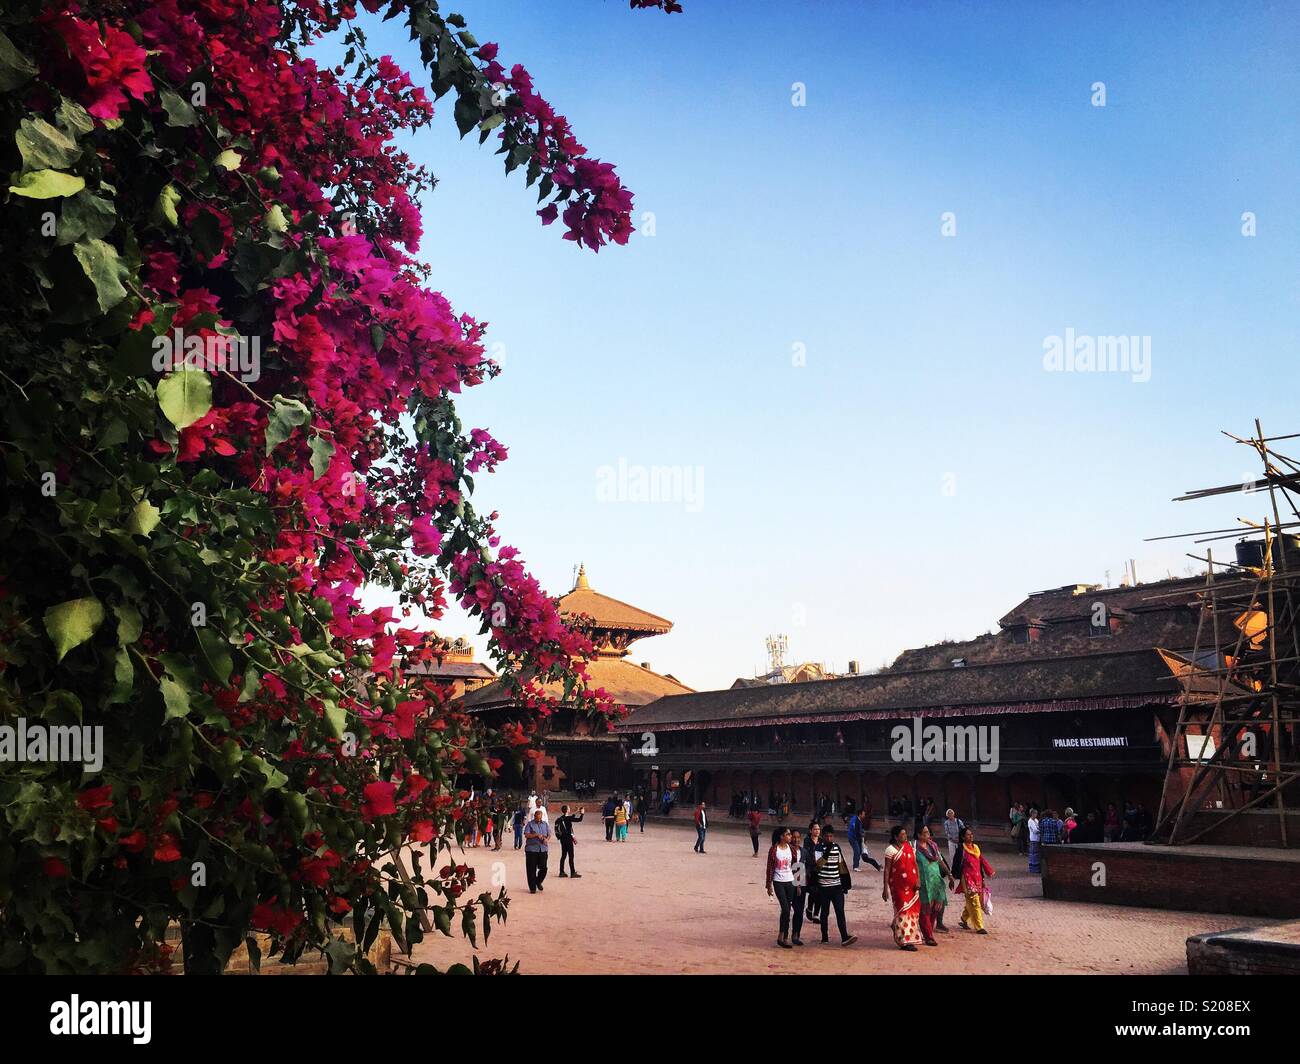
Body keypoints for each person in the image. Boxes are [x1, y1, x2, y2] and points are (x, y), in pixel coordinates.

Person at [813, 824, 856, 946]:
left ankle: (844, 937)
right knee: (824, 912)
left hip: (837, 886)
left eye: (831, 836)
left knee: (840, 911)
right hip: (824, 886)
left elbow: (841, 865)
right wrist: (827, 854)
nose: (829, 839)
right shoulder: (818, 848)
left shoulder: (836, 847)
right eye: (827, 836)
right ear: (823, 836)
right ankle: (824, 937)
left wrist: (845, 884)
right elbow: (818, 866)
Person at [882, 824, 923, 951]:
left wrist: (918, 880)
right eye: (902, 834)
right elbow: (887, 870)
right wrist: (885, 888)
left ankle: (906, 934)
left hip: (912, 886)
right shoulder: (890, 850)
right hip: (898, 887)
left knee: (913, 912)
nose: (905, 836)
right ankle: (904, 942)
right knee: (903, 911)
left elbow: (915, 865)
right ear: (895, 836)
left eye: (905, 834)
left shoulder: (909, 847)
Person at [914, 824, 953, 946]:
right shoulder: (914, 848)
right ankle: (928, 936)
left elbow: (940, 861)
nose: (928, 835)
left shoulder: (933, 846)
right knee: (925, 909)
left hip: (936, 881)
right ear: (919, 835)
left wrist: (949, 875)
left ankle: (929, 931)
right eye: (925, 832)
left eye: (928, 832)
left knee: (936, 907)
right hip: (924, 883)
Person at [952, 826, 995, 934]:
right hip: (967, 879)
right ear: (963, 837)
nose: (971, 836)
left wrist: (984, 876)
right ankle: (979, 926)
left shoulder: (975, 848)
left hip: (977, 878)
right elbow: (956, 864)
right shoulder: (961, 849)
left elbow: (981, 862)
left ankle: (964, 918)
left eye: (971, 834)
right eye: (968, 834)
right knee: (975, 901)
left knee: (974, 900)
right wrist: (952, 877)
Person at [765, 827, 798, 948]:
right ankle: (781, 935)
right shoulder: (774, 850)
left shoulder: (792, 849)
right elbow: (770, 868)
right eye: (788, 835)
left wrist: (798, 883)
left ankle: (784, 936)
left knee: (787, 909)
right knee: (785, 908)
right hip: (778, 881)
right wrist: (768, 885)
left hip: (790, 881)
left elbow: (795, 866)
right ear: (781, 836)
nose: (790, 837)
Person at [523, 808, 551, 894]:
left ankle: (538, 881)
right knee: (531, 869)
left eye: (540, 818)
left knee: (544, 868)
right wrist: (535, 835)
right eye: (537, 818)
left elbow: (549, 834)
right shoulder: (530, 824)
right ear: (534, 816)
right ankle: (532, 888)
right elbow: (526, 835)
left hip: (543, 849)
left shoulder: (545, 824)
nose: (538, 819)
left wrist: (547, 839)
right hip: (532, 849)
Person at [788, 828, 807, 946]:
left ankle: (796, 934)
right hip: (789, 883)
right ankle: (784, 933)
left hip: (801, 882)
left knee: (799, 911)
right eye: (793, 837)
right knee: (786, 909)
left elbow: (808, 866)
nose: (796, 839)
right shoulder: (787, 851)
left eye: (798, 837)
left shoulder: (804, 852)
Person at [553, 803, 584, 878]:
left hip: (562, 839)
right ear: (567, 810)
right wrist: (582, 813)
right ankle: (572, 872)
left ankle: (561, 871)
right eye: (569, 808)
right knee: (571, 856)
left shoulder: (560, 818)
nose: (570, 809)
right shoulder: (568, 818)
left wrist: (577, 811)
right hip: (568, 839)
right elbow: (579, 819)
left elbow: (571, 816)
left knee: (563, 855)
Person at [803, 822, 824, 923]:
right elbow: (806, 854)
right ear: (810, 830)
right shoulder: (807, 841)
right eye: (815, 829)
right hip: (810, 870)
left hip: (820, 870)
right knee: (812, 891)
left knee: (820, 892)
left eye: (818, 829)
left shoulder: (822, 842)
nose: (817, 831)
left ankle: (816, 914)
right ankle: (809, 909)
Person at [1027, 807, 1041, 873]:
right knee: (1034, 854)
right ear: (1032, 814)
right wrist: (1040, 830)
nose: (1036, 815)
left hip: (1037, 839)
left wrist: (1039, 829)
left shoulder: (1036, 820)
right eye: (1035, 813)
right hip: (1033, 839)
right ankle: (1033, 869)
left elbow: (1038, 826)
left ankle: (1037, 868)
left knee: (1037, 854)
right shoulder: (1030, 821)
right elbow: (1035, 830)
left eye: (1036, 813)